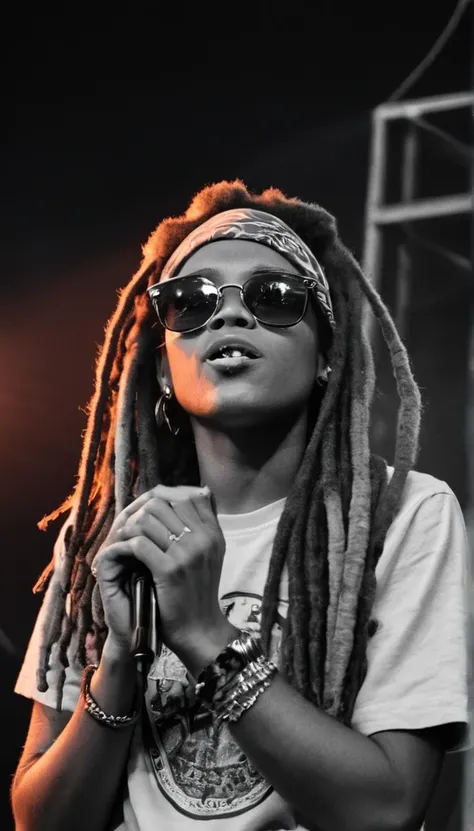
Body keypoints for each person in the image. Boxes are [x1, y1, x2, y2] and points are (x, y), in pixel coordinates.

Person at [11, 180, 470, 831]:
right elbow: (40, 820)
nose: (228, 315)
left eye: (274, 297)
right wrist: (118, 660)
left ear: (327, 358)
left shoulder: (404, 515)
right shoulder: (106, 539)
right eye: (190, 302)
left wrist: (205, 635)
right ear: (165, 369)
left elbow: (387, 808)